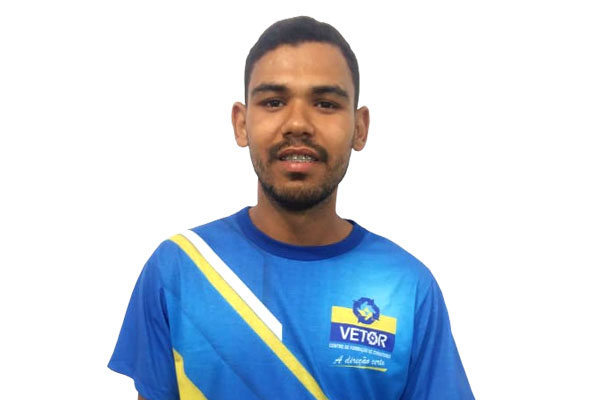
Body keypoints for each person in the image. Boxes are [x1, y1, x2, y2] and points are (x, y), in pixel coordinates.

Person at [108, 16, 475, 400]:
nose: (298, 123)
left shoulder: (406, 286)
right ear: (241, 123)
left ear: (360, 127)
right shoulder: (179, 268)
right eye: (274, 102)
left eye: (325, 103)